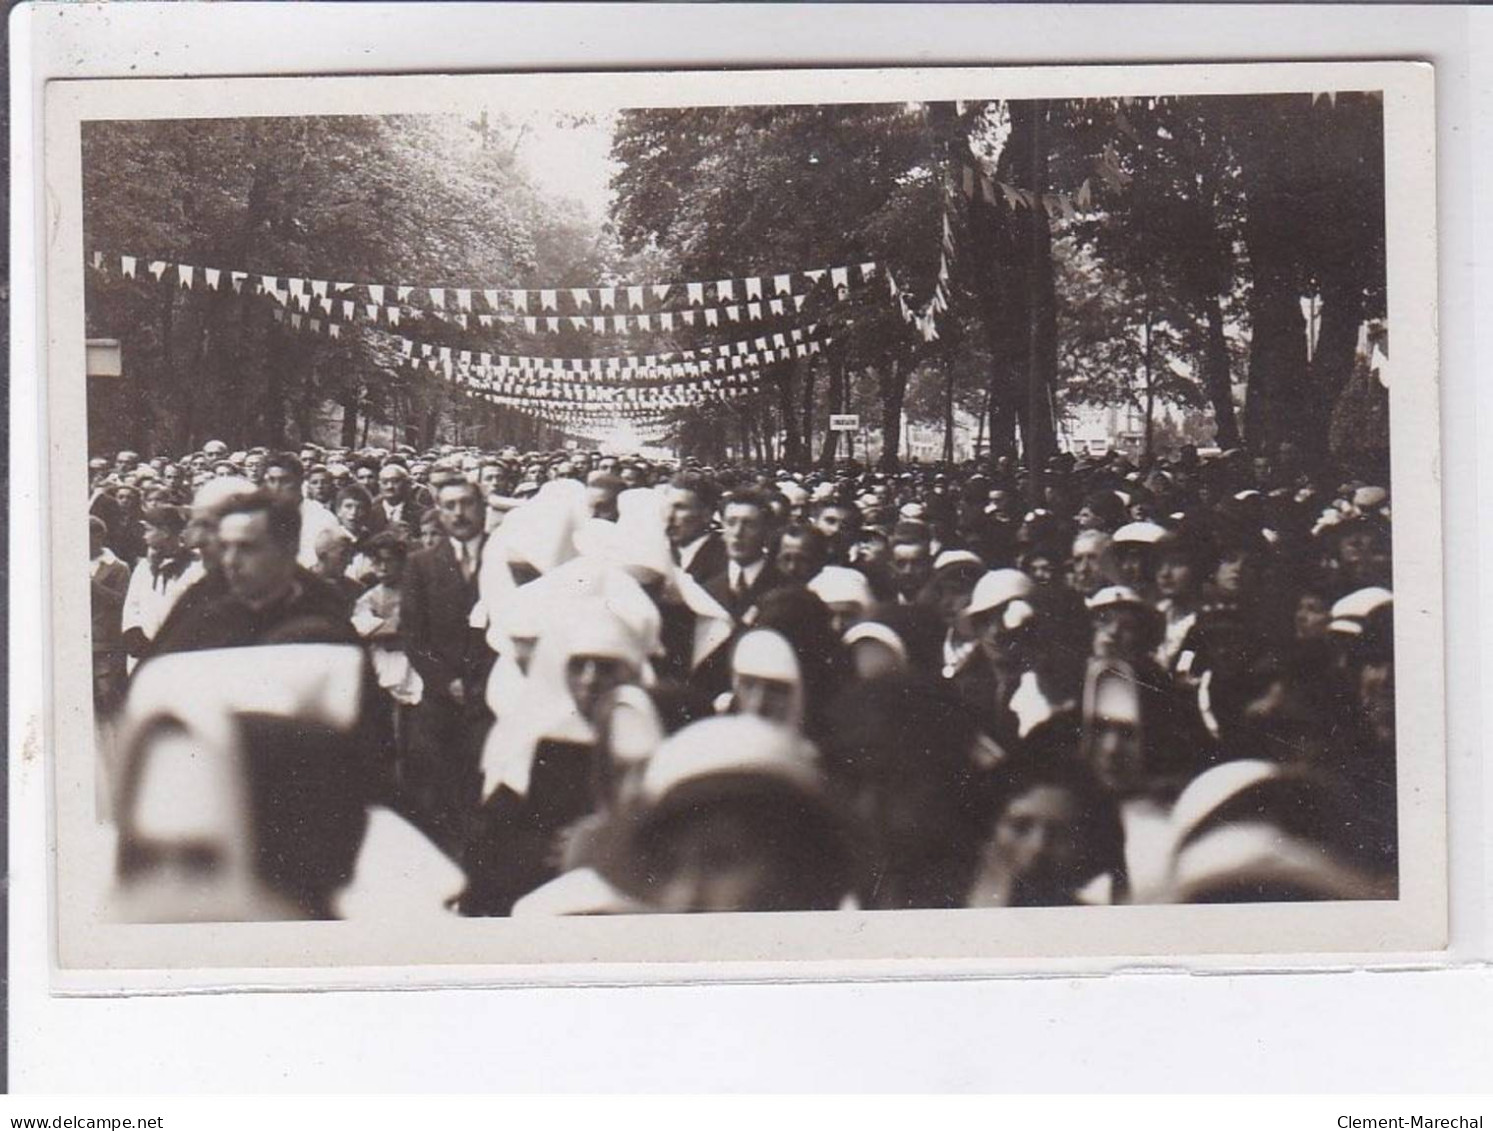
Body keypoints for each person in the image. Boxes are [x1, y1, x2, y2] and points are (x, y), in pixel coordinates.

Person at [400, 478, 494, 854]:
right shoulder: (421, 564)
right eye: (450, 505)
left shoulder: (502, 559)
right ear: (438, 512)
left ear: (482, 507)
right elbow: (414, 637)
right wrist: (446, 682)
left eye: (467, 503)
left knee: (484, 797)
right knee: (438, 797)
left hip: (491, 700)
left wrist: (487, 683)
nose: (460, 513)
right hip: (440, 704)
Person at [702, 488, 782, 623]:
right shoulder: (706, 590)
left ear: (766, 529)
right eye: (731, 522)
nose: (738, 533)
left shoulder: (784, 588)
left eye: (749, 524)